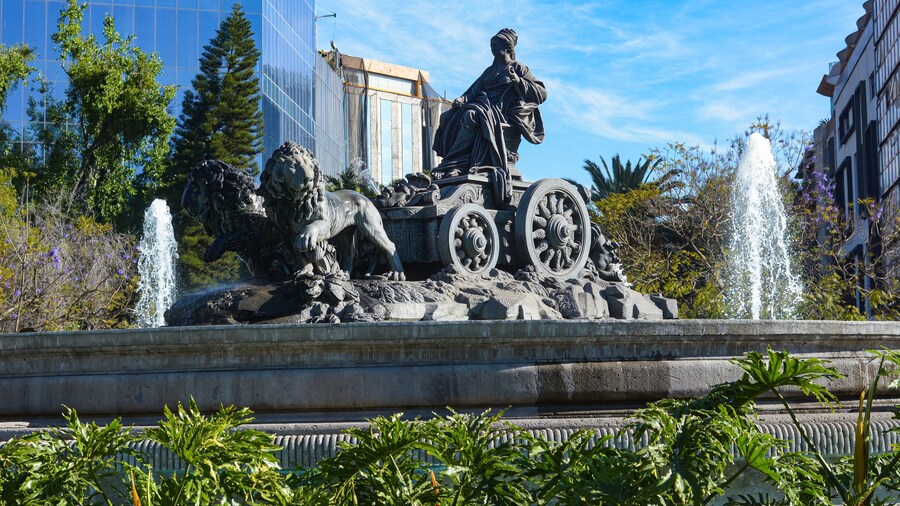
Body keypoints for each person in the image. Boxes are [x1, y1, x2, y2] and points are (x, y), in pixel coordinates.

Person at [433, 28, 547, 205]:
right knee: (447, 117)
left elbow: (541, 93)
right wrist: (462, 98)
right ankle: (452, 164)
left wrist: (518, 81)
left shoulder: (518, 68)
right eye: (491, 45)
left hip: (501, 112)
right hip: (483, 105)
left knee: (471, 116)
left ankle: (454, 164)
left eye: (495, 45)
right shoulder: (489, 70)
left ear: (506, 47)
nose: (492, 48)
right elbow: (474, 90)